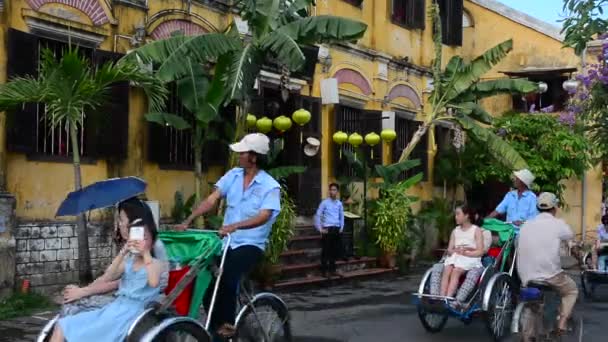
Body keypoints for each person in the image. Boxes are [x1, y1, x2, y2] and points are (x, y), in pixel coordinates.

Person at [175, 133, 281, 339]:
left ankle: (227, 325)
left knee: (228, 274)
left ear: (254, 157)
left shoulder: (270, 186)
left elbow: (264, 216)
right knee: (204, 275)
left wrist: (236, 226)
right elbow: (212, 199)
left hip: (251, 244)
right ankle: (215, 326)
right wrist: (187, 221)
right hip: (226, 243)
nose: (238, 155)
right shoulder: (232, 175)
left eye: (242, 152)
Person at [50, 215, 164, 342]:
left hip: (134, 313)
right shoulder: (129, 262)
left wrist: (146, 253)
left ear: (153, 241)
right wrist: (123, 252)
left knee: (86, 331)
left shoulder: (156, 263)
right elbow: (110, 275)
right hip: (115, 308)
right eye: (136, 237)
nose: (139, 241)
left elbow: (153, 283)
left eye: (145, 238)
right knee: (63, 325)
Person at [60, 198, 168, 317]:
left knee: (77, 308)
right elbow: (109, 276)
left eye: (121, 220)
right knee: (75, 304)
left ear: (134, 221)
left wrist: (83, 292)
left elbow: (121, 282)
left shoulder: (154, 245)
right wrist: (81, 291)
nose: (119, 225)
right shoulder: (131, 247)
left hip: (145, 304)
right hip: (125, 298)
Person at [517, 192, 577, 335]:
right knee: (571, 290)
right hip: (550, 276)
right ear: (554, 208)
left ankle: (528, 335)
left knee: (532, 305)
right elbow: (570, 234)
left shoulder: (526, 225)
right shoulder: (557, 224)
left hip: (526, 277)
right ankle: (562, 323)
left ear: (537, 208)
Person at [440, 206, 484, 299]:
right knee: (447, 269)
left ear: (466, 216)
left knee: (456, 271)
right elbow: (449, 249)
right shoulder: (455, 231)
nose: (456, 217)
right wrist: (454, 251)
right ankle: (441, 297)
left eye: (458, 214)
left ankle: (448, 298)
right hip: (456, 256)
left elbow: (480, 251)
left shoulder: (476, 230)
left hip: (470, 257)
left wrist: (466, 253)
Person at [314, 183, 345, 277]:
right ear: (329, 191)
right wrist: (319, 228)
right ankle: (324, 271)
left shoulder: (339, 204)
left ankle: (333, 269)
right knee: (326, 250)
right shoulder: (324, 203)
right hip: (327, 229)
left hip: (336, 229)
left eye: (334, 190)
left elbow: (342, 216)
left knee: (334, 251)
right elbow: (318, 215)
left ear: (337, 192)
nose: (332, 191)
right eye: (331, 190)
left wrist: (341, 227)